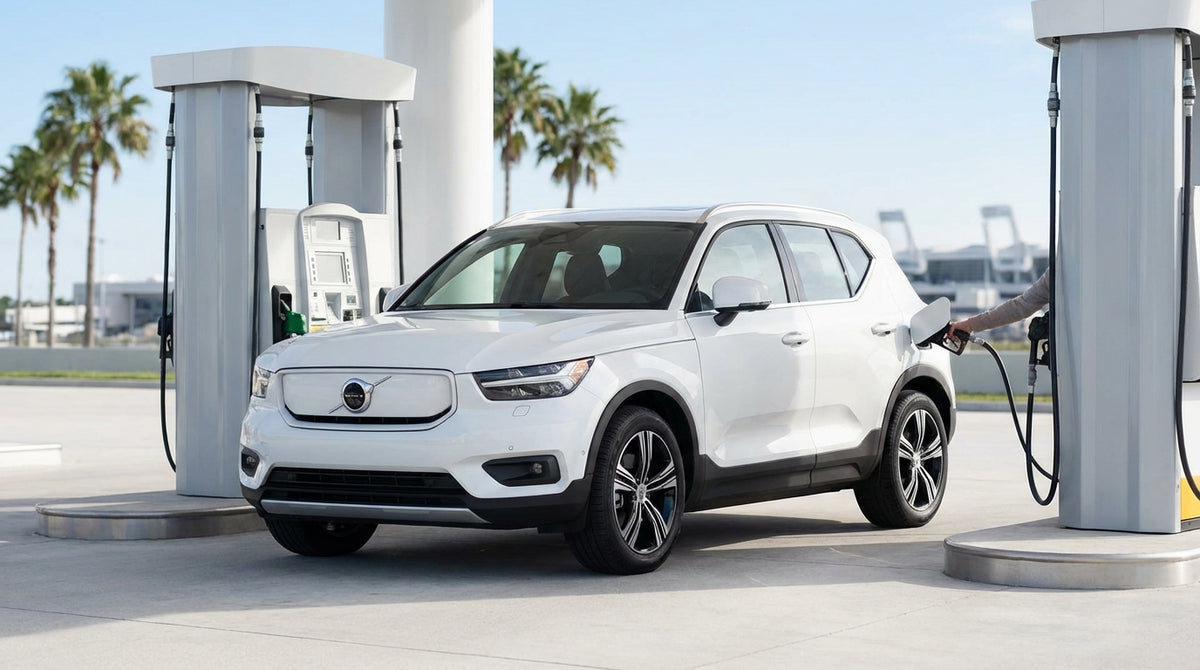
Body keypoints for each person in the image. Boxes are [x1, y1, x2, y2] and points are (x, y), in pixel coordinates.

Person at [949, 269, 1050, 340]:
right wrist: (970, 325)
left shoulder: (1056, 272)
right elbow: (1019, 307)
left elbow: (1020, 306)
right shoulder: (1055, 273)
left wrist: (970, 325)